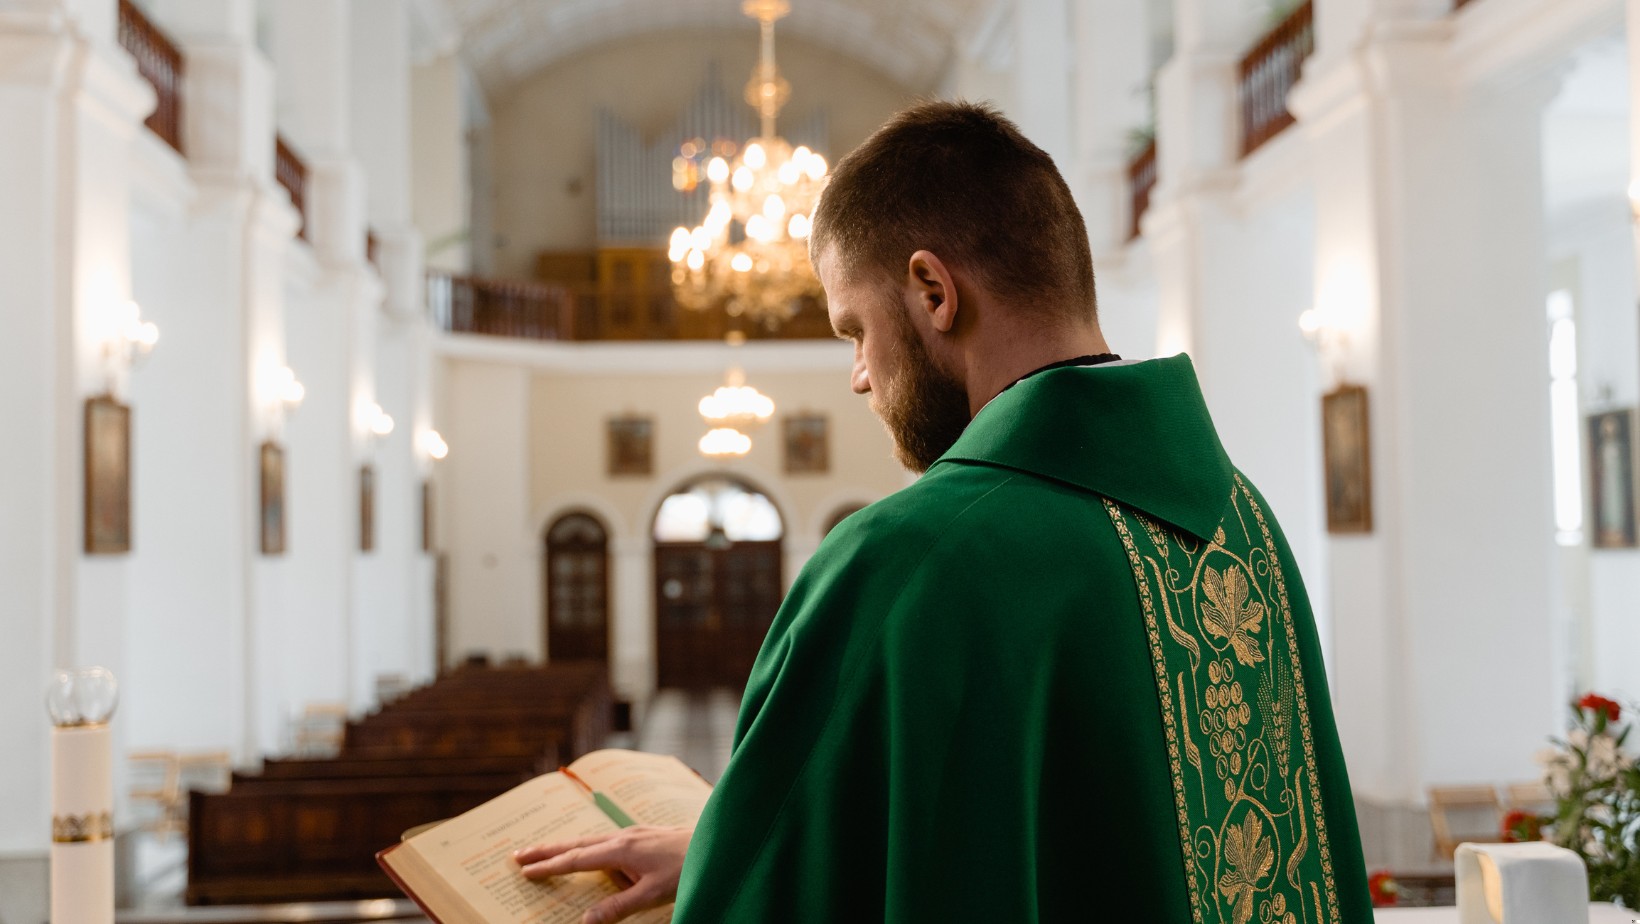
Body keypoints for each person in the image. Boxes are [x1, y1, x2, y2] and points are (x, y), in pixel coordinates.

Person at [515, 100, 1373, 922]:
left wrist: (733, 871)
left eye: (854, 330)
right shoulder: (1242, 524)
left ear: (932, 292)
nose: (857, 375)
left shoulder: (907, 559)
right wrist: (718, 843)